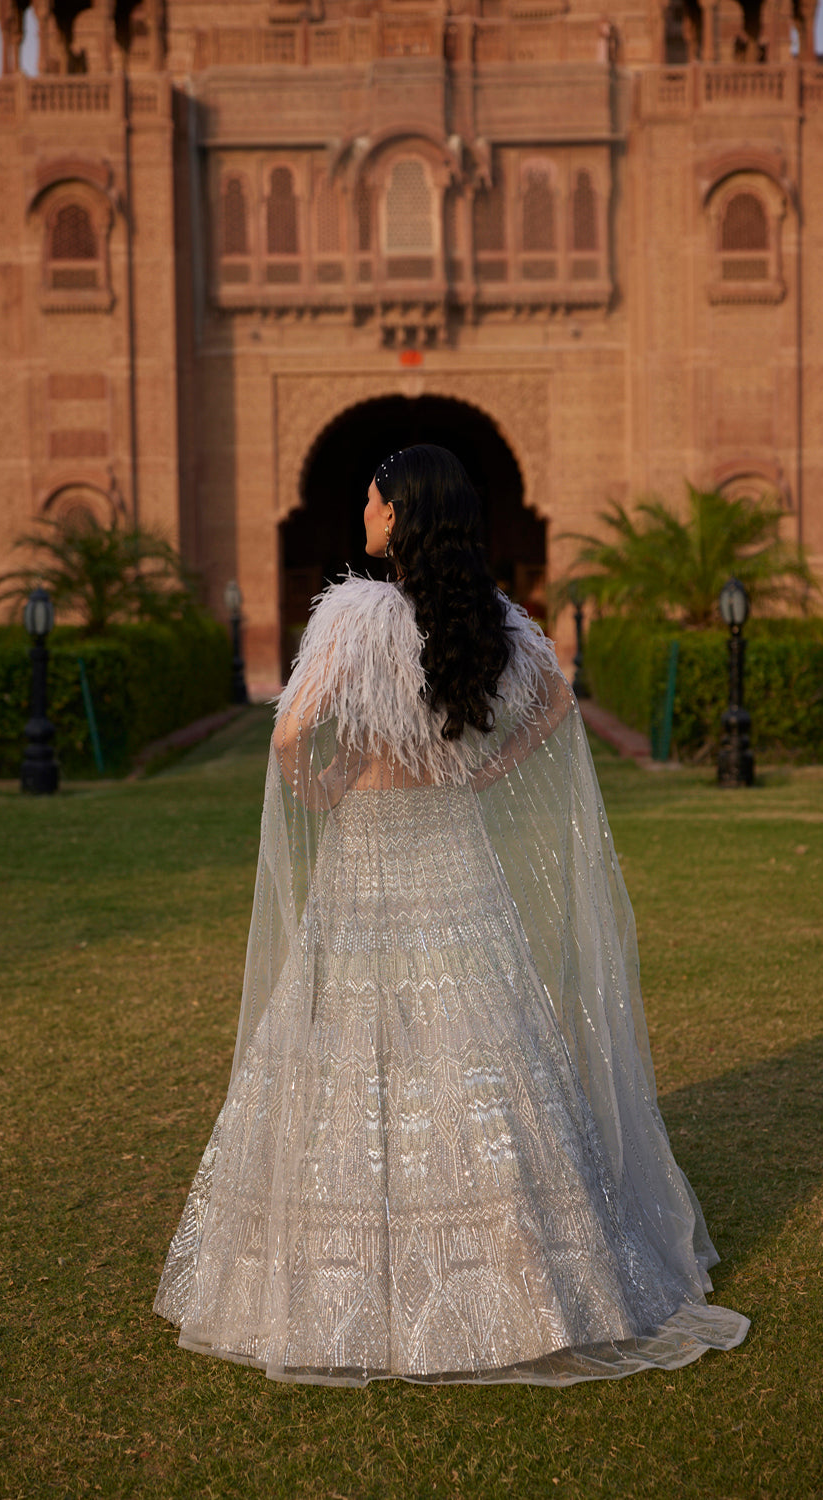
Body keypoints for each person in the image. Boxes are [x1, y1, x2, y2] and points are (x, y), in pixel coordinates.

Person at [154, 444, 749, 1385]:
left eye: (370, 496)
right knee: (482, 1036)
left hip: (371, 850)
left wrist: (324, 789)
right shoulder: (496, 621)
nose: (362, 508)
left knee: (355, 1039)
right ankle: (535, 1280)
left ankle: (348, 1288)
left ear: (399, 513)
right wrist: (480, 770)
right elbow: (556, 707)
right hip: (454, 849)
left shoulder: (353, 614)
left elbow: (289, 734)